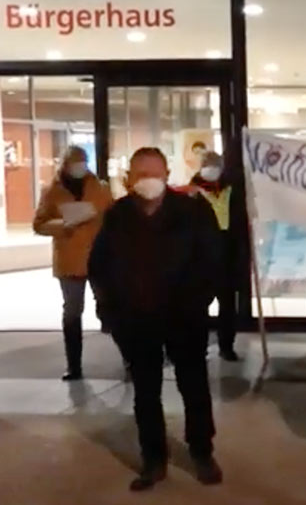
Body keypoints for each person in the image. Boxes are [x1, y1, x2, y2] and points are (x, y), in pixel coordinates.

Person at [88, 147, 223, 491]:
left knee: (193, 386)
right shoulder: (118, 215)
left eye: (155, 172)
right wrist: (109, 311)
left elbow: (211, 261)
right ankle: (153, 460)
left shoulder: (193, 211)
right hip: (135, 321)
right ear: (130, 178)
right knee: (145, 393)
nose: (149, 179)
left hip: (184, 317)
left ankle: (202, 452)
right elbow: (99, 266)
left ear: (166, 174)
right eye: (141, 173)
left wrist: (197, 302)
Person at [33, 146, 112, 381]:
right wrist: (60, 226)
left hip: (99, 258)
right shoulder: (52, 191)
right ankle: (74, 366)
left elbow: (115, 216)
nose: (81, 166)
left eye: (84, 161)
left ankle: (129, 358)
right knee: (72, 313)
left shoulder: (100, 188)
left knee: (110, 308)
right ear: (65, 164)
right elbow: (39, 223)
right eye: (75, 162)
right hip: (69, 260)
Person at [187, 151, 242, 361]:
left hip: (227, 249)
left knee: (228, 304)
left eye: (215, 165)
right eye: (207, 165)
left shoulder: (231, 188)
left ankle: (226, 345)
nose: (211, 169)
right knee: (199, 304)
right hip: (201, 252)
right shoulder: (192, 191)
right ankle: (197, 345)